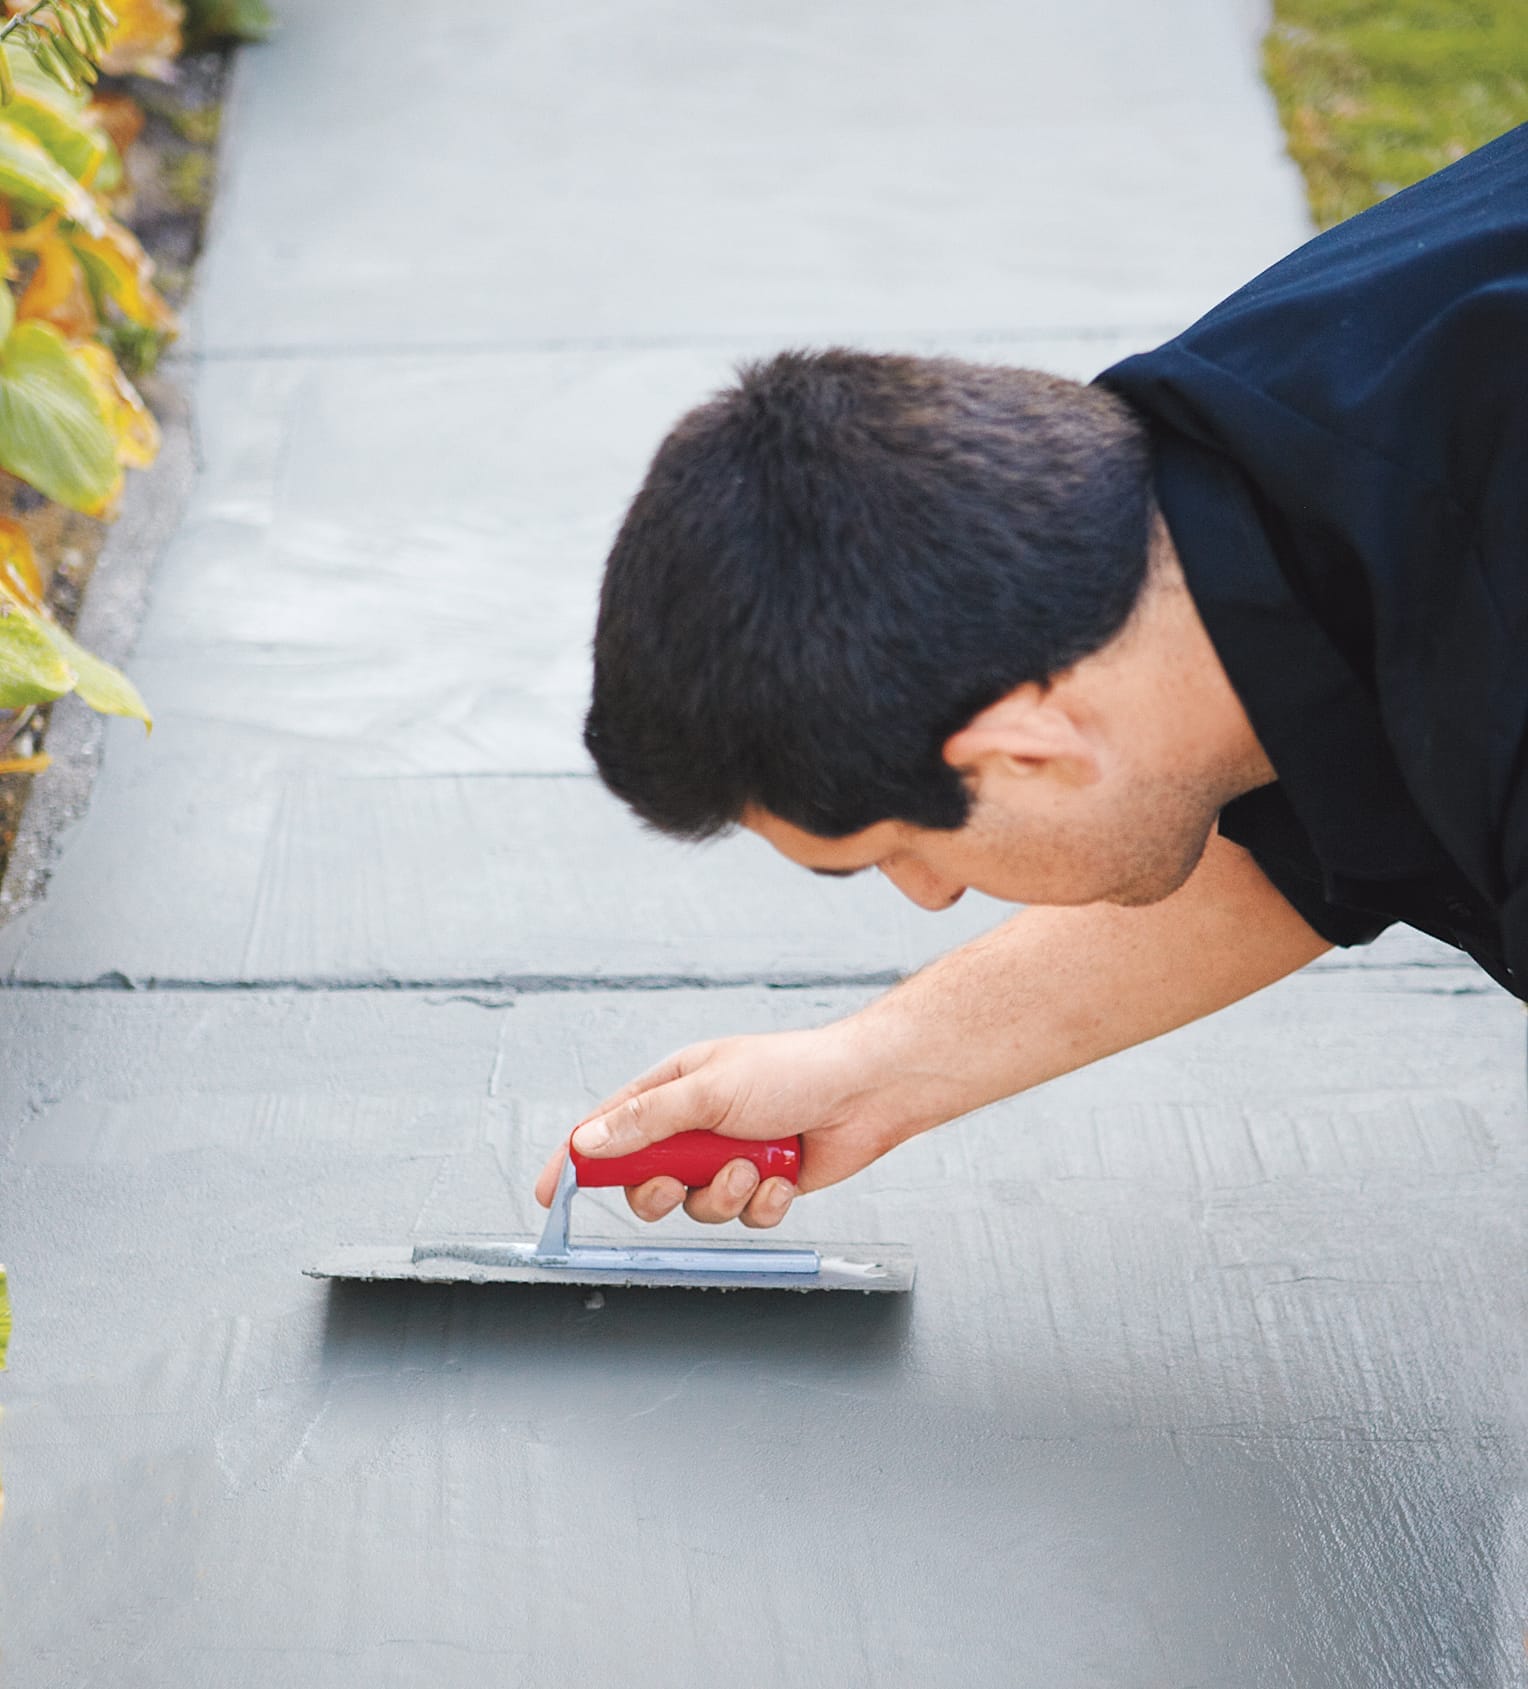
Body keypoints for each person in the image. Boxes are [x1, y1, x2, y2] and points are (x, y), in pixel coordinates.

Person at [536, 123, 1528, 1232]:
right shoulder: (1244, 453)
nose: (931, 894)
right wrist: (873, 1068)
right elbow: (1311, 814)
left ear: (1023, 748)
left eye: (899, 850)